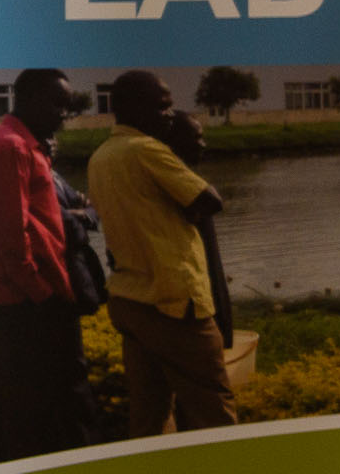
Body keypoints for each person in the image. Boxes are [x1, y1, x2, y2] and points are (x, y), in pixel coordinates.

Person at [85, 71, 236, 437]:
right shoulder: (146, 150)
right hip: (173, 303)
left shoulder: (101, 156)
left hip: (131, 300)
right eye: (162, 107)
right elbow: (209, 200)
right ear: (133, 107)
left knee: (149, 411)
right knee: (213, 406)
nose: (170, 115)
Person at [0, 69, 94, 459]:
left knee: (45, 398)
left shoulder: (28, 145)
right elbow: (9, 236)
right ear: (27, 99)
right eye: (56, 104)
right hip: (27, 300)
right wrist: (40, 293)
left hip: (37, 291)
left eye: (67, 106)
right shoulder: (9, 147)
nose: (63, 114)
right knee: (35, 400)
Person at [158, 111, 232, 352]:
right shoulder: (172, 184)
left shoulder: (186, 182)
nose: (203, 144)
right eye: (196, 138)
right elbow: (213, 202)